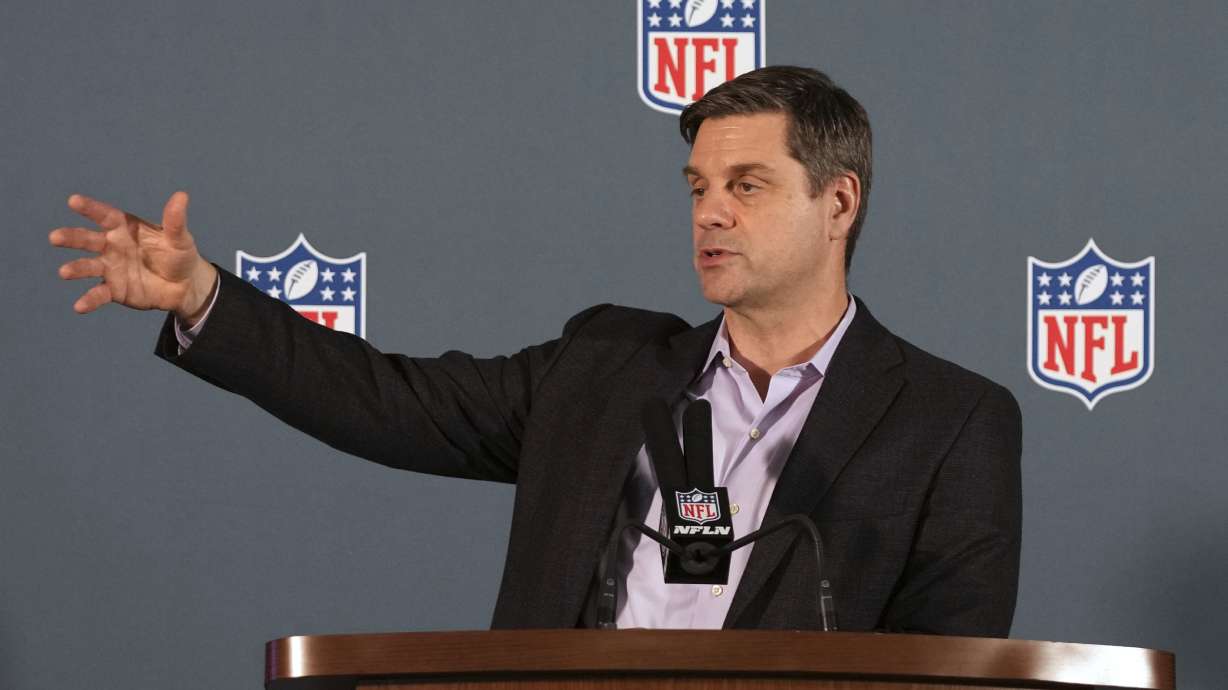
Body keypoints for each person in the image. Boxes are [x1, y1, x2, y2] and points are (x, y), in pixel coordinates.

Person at [49, 66, 1021, 634]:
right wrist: (203, 296)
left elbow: (950, 670)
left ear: (837, 202)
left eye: (748, 185)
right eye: (696, 186)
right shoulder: (603, 367)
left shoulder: (950, 421)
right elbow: (385, 399)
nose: (711, 211)